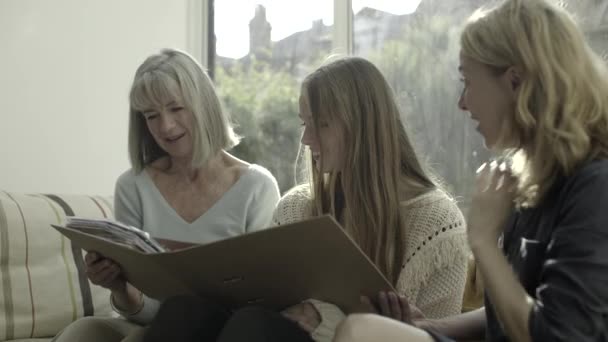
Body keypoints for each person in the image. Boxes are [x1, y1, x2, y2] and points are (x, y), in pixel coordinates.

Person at [332, 0, 608, 341]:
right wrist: (428, 328)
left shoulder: (596, 189)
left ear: (515, 82)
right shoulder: (529, 181)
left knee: (360, 332)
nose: (462, 102)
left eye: (468, 81)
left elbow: (557, 335)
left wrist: (484, 242)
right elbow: (512, 309)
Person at [52, 48, 280, 342]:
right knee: (81, 333)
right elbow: (141, 311)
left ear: (203, 105)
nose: (165, 126)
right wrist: (120, 287)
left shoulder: (256, 187)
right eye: (151, 115)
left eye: (176, 108)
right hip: (156, 324)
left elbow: (262, 300)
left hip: (225, 327)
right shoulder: (133, 187)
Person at [270, 56, 470, 342]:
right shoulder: (294, 209)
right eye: (304, 123)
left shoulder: (437, 225)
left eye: (321, 124)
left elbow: (435, 337)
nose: (305, 139)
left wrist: (324, 320)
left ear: (363, 126)